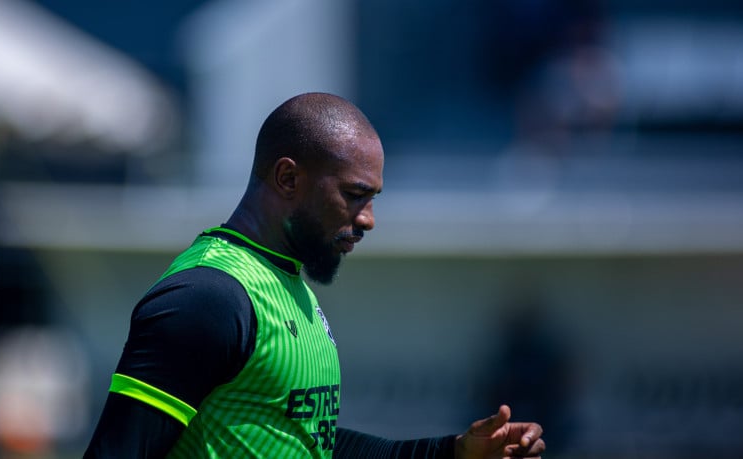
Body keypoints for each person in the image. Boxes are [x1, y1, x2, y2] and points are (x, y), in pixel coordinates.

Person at [84, 92, 545, 458]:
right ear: (288, 179)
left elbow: (309, 445)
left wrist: (452, 454)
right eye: (354, 195)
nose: (367, 220)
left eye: (372, 200)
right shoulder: (208, 298)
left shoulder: (287, 285)